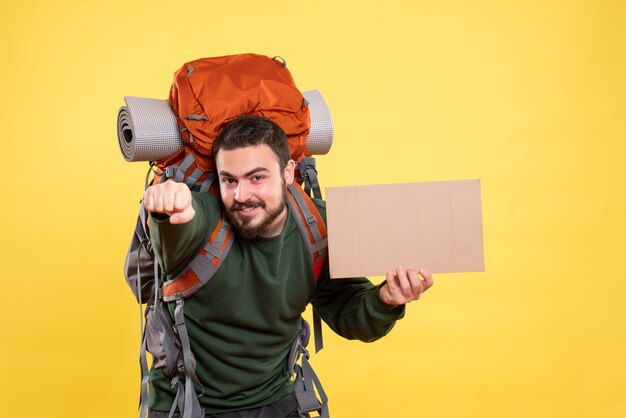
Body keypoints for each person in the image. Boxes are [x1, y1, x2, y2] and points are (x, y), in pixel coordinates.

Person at [142, 114, 434, 417]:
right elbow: (180, 230)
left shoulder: (316, 224)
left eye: (257, 178)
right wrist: (169, 209)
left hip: (277, 398)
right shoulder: (202, 215)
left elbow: (349, 313)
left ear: (287, 173)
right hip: (189, 406)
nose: (241, 196)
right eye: (229, 180)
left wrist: (384, 300)